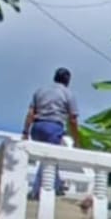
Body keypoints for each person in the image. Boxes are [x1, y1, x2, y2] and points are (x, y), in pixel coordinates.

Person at [22, 67, 82, 199]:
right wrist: (76, 139)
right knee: (49, 160)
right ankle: (36, 191)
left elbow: (31, 113)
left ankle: (58, 185)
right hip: (53, 127)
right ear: (68, 81)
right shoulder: (68, 94)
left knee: (47, 159)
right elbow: (72, 119)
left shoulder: (40, 91)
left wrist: (25, 132)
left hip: (37, 127)